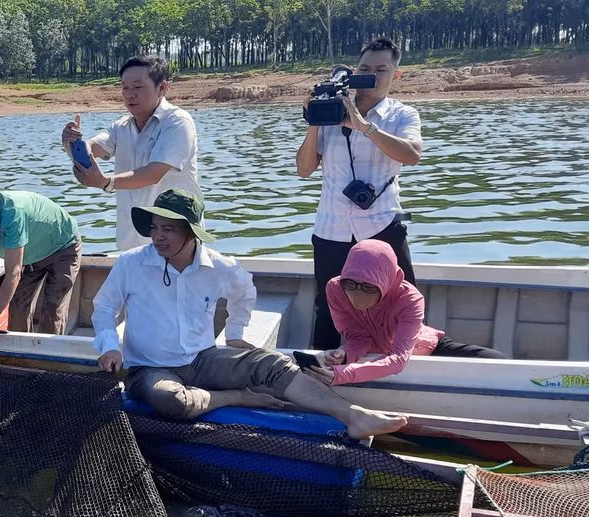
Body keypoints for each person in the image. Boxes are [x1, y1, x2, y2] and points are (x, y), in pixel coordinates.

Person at [92, 188, 408, 439]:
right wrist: (108, 345)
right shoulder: (131, 263)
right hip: (149, 368)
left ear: (191, 233)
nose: (158, 236)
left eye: (169, 229)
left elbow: (245, 292)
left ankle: (354, 416)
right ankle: (237, 397)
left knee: (272, 363)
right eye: (155, 228)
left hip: (203, 360)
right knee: (173, 401)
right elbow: (104, 307)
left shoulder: (220, 266)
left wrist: (235, 332)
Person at [296, 36, 424, 350]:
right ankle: (320, 375)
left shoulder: (402, 115)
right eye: (365, 68)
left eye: (381, 69)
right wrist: (314, 117)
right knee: (325, 308)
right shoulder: (331, 112)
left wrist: (362, 125)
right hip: (332, 228)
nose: (372, 75)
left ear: (396, 74)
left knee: (401, 301)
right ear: (353, 72)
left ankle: (404, 364)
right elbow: (304, 168)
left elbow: (411, 155)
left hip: (382, 226)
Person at [302, 240, 505, 387]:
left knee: (496, 361)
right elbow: (358, 336)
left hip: (423, 347)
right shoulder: (335, 289)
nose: (356, 293)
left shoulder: (411, 299)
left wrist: (341, 375)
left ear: (385, 280)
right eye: (351, 283)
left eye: (368, 287)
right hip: (375, 354)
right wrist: (345, 353)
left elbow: (398, 359)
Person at [60, 55, 200, 252]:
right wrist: (73, 143)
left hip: (176, 243)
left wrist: (106, 182)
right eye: (125, 87)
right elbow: (94, 147)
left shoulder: (177, 122)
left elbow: (153, 173)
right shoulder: (121, 126)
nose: (129, 94)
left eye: (138, 87)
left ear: (162, 88)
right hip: (130, 242)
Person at [0, 163, 82, 336]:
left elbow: (14, 272)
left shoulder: (12, 212)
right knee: (17, 307)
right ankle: (20, 358)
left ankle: (45, 360)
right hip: (30, 255)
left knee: (52, 309)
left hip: (63, 246)